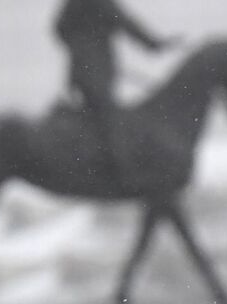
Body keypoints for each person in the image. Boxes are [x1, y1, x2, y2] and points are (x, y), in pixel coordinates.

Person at [53, 0, 170, 180]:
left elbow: (59, 29)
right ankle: (122, 175)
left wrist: (80, 48)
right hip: (95, 70)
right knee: (109, 120)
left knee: (96, 118)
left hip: (83, 70)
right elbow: (125, 22)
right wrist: (153, 44)